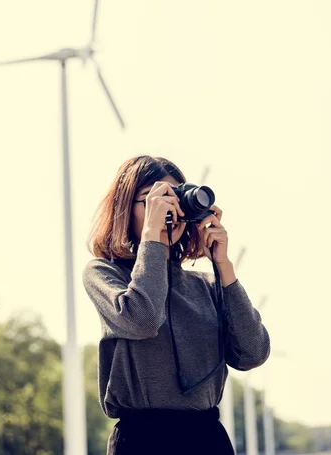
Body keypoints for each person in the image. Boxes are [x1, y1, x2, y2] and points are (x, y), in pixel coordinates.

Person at [82, 155, 270, 454]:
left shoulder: (207, 285)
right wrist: (152, 238)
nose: (169, 210)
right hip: (142, 440)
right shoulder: (105, 273)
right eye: (153, 200)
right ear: (124, 210)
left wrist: (223, 266)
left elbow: (252, 353)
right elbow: (142, 319)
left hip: (208, 438)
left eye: (175, 198)